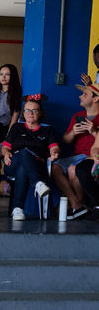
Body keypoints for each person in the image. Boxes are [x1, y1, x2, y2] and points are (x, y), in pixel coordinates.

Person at [1, 97, 61, 221]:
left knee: (23, 169)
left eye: (34, 110)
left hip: (37, 165)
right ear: (23, 113)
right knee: (23, 153)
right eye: (27, 110)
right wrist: (6, 153)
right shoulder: (17, 127)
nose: (30, 113)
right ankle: (38, 183)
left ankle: (18, 209)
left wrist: (54, 153)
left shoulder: (47, 129)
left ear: (40, 113)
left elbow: (54, 147)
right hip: (13, 162)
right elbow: (5, 147)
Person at [54, 84, 99, 218]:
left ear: (95, 99)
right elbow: (66, 140)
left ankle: (78, 206)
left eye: (85, 94)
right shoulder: (78, 116)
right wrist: (73, 132)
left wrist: (94, 131)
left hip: (91, 157)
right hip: (76, 156)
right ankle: (77, 204)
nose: (80, 96)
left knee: (73, 170)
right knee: (55, 167)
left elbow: (96, 147)